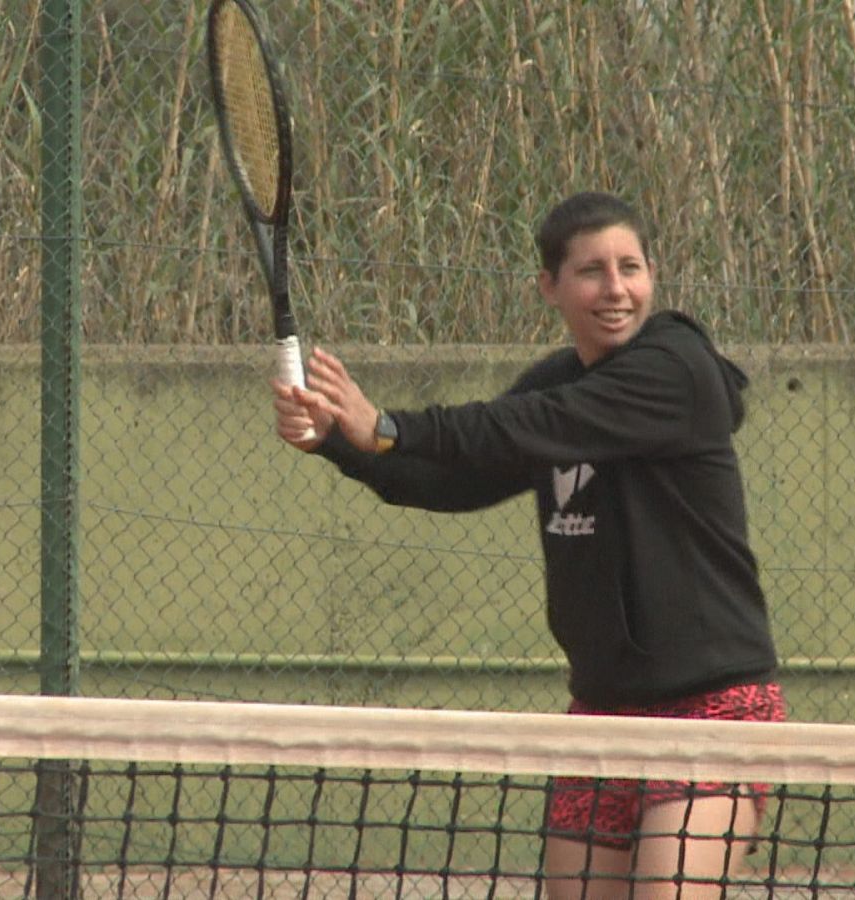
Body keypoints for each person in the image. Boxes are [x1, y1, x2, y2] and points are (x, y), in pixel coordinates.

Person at [272, 191, 786, 899]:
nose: (616, 288)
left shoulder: (675, 369)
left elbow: (515, 425)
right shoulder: (555, 382)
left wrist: (388, 425)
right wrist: (337, 441)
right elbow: (459, 478)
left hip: (714, 711)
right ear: (550, 286)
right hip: (601, 716)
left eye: (630, 267)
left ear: (652, 276)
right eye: (591, 271)